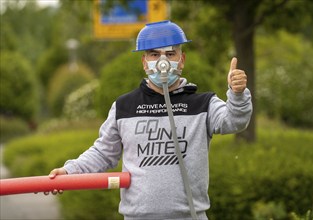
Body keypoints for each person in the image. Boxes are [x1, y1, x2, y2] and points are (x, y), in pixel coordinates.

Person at [48, 20, 252, 220]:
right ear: (144, 61)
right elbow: (103, 153)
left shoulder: (203, 104)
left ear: (182, 60)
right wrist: (70, 171)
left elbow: (234, 121)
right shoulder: (124, 106)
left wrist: (238, 95)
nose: (162, 61)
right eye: (154, 54)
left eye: (170, 53)